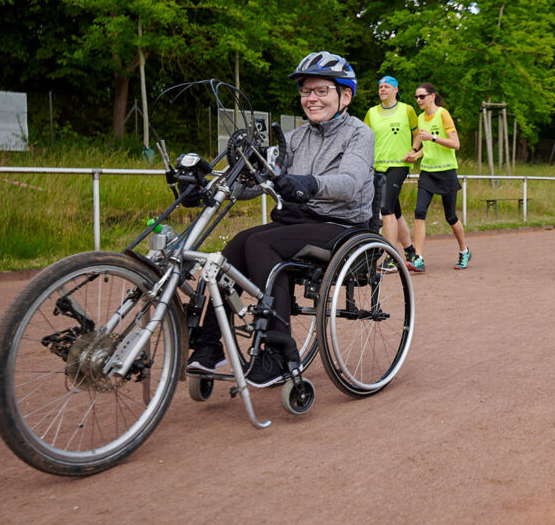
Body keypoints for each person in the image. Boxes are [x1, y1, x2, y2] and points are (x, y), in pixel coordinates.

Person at [187, 51, 375, 386]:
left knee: (261, 244)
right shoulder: (294, 137)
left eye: (321, 91)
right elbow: (261, 182)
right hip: (297, 221)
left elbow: (349, 185)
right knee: (233, 248)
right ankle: (209, 345)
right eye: (306, 91)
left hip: (341, 226)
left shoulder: (359, 134)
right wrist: (215, 184)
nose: (311, 98)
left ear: (344, 95)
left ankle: (278, 353)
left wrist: (308, 183)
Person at [404, 82, 471, 271]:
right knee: (419, 212)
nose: (418, 100)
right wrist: (414, 155)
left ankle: (464, 251)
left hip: (447, 171)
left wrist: (432, 138)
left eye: (422, 97)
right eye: (416, 97)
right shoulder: (420, 118)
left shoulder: (443, 114)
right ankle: (418, 258)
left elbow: (455, 144)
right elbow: (425, 146)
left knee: (450, 216)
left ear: (432, 96)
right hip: (427, 172)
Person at [363, 75, 421, 270]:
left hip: (399, 164)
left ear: (396, 90)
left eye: (387, 86)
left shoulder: (407, 110)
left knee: (385, 208)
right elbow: (364, 139)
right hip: (377, 167)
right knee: (394, 211)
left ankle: (391, 256)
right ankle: (410, 251)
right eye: (380, 87)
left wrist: (414, 151)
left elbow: (418, 135)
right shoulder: (371, 113)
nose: (382, 90)